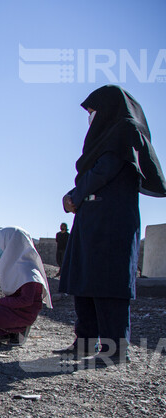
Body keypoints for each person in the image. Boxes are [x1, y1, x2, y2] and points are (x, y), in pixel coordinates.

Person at [56, 85, 165, 365]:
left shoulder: (123, 133)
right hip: (92, 219)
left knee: (108, 283)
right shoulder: (107, 137)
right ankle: (85, 342)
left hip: (111, 223)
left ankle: (115, 349)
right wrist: (76, 196)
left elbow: (104, 171)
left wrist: (75, 195)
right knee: (86, 282)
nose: (90, 117)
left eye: (93, 111)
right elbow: (94, 173)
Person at [0, 227, 53, 345]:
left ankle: (15, 331)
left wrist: (0, 302)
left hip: (22, 313)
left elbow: (26, 301)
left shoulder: (28, 271)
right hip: (11, 307)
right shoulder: (14, 265)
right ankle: (2, 329)